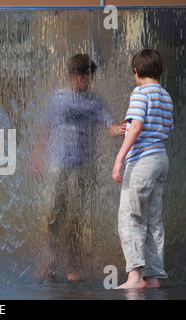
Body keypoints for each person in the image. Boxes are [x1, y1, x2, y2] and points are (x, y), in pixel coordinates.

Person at [34, 53, 123, 281]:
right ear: (71, 75)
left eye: (87, 76)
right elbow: (46, 128)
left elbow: (108, 124)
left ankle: (73, 265)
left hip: (84, 167)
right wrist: (37, 156)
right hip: (58, 165)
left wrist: (120, 130)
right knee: (54, 214)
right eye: (79, 76)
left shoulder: (96, 102)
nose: (83, 81)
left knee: (77, 218)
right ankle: (52, 260)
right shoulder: (58, 98)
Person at [112, 48, 174, 289]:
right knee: (152, 219)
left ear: (136, 73)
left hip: (142, 161)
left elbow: (136, 126)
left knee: (131, 216)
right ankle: (153, 276)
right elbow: (164, 127)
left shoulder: (140, 93)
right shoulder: (166, 96)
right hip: (160, 159)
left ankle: (135, 277)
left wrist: (120, 158)